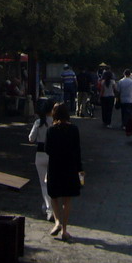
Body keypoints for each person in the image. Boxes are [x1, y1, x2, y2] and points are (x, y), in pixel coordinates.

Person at [45, 102, 83, 241]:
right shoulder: (74, 129)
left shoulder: (51, 130)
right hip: (70, 166)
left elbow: (47, 150)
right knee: (67, 199)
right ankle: (65, 230)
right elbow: (77, 150)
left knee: (54, 195)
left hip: (55, 166)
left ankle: (57, 222)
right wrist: (80, 169)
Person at [28, 100, 55, 221]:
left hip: (40, 154)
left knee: (44, 184)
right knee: (52, 183)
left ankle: (48, 208)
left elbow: (31, 139)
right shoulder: (55, 123)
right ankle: (48, 207)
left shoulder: (38, 123)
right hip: (54, 155)